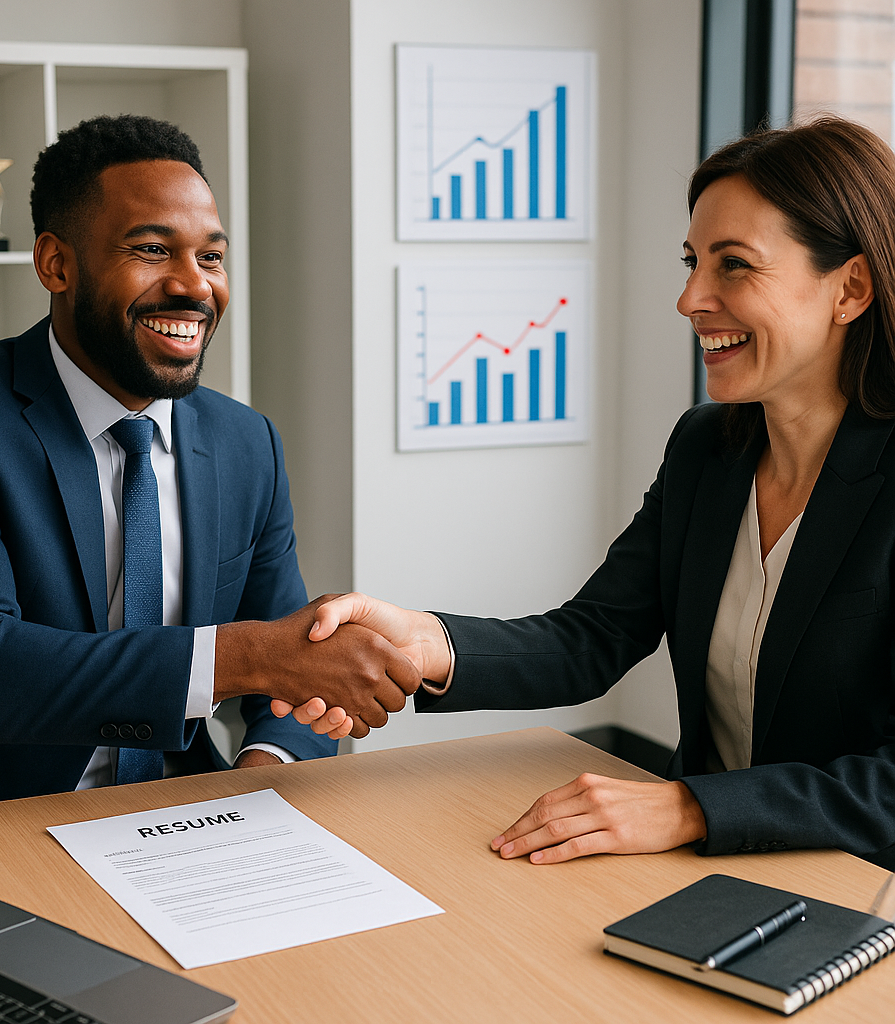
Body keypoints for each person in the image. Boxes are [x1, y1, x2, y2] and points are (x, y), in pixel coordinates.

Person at [283, 117, 895, 871]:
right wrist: (424, 641)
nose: (690, 298)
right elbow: (594, 636)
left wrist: (688, 805)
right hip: (711, 870)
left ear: (851, 289)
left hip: (860, 889)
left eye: (733, 265)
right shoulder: (708, 449)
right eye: (692, 261)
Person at [0, 114, 418, 815]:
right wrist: (244, 656)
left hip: (184, 814)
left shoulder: (247, 442)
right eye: (153, 250)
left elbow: (290, 673)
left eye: (212, 257)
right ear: (56, 264)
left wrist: (258, 773)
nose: (194, 286)